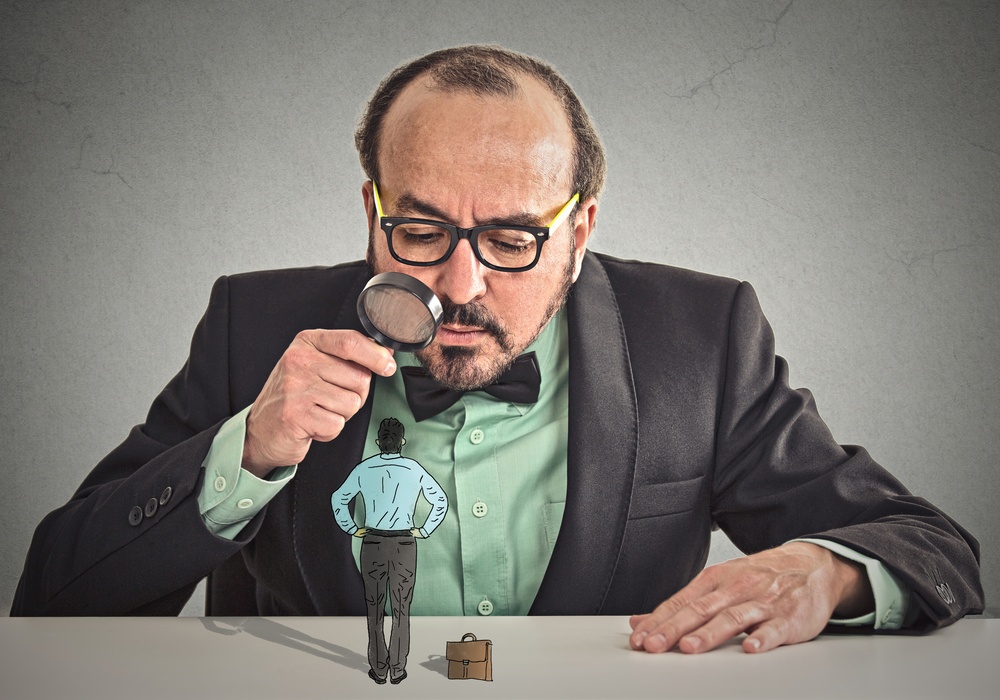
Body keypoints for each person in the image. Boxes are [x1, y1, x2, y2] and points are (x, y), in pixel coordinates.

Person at [13, 45, 983, 656]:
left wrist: (826, 570)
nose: (459, 288)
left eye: (513, 237)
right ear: (371, 210)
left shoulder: (703, 338)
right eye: (421, 230)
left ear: (580, 227)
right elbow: (54, 600)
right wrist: (248, 450)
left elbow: (934, 549)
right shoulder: (251, 325)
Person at [331, 417, 448, 684]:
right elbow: (439, 500)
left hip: (372, 542)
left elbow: (339, 498)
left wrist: (351, 528)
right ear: (402, 442)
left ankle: (378, 668)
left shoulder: (364, 468)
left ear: (378, 442)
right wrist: (425, 529)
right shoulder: (413, 469)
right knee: (401, 609)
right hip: (405, 544)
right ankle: (398, 668)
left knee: (373, 608)